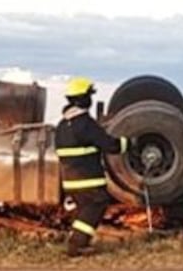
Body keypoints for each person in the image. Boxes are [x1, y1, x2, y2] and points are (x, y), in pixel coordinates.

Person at [55, 77, 129, 258]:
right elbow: (110, 145)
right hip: (87, 179)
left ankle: (77, 241)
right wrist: (129, 142)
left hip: (70, 181)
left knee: (83, 211)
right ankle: (76, 245)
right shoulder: (85, 123)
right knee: (97, 204)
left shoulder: (62, 125)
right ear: (82, 98)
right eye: (89, 95)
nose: (91, 99)